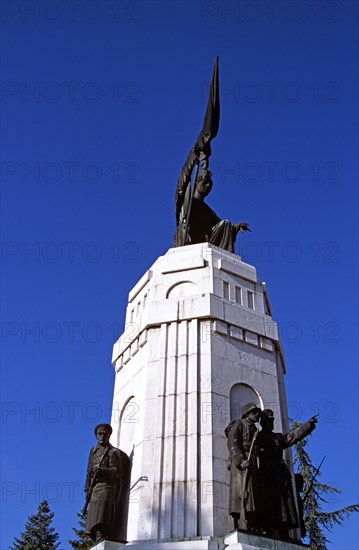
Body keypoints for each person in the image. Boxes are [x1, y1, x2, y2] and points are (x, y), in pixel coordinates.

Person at [173, 142, 250, 252]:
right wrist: (194, 156)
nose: (208, 186)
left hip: (207, 240)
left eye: (210, 184)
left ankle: (226, 261)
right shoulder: (186, 203)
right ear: (196, 183)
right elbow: (183, 181)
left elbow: (221, 226)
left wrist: (236, 227)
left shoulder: (208, 211)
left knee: (226, 224)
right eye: (205, 182)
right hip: (192, 240)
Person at [258, 409, 318, 539]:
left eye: (273, 420)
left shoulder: (278, 438)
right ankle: (267, 527)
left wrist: (308, 425)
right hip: (266, 472)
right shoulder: (258, 437)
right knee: (269, 500)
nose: (272, 422)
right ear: (263, 422)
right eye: (270, 420)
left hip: (280, 473)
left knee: (285, 502)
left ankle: (284, 530)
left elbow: (294, 436)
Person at [225, 402, 266, 533]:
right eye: (254, 412)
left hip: (253, 461)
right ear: (247, 413)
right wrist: (240, 460)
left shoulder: (255, 429)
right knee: (242, 491)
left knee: (253, 492)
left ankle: (253, 521)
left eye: (257, 412)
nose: (257, 414)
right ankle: (240, 521)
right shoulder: (238, 424)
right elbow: (233, 443)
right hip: (241, 464)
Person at [85, 423, 130, 544]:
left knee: (103, 510)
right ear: (96, 436)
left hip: (106, 486)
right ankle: (95, 536)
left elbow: (117, 471)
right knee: (94, 512)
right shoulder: (93, 451)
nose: (102, 436)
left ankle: (101, 533)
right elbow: (88, 472)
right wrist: (87, 489)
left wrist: (103, 471)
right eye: (100, 434)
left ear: (109, 435)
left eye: (105, 434)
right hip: (94, 488)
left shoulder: (112, 452)